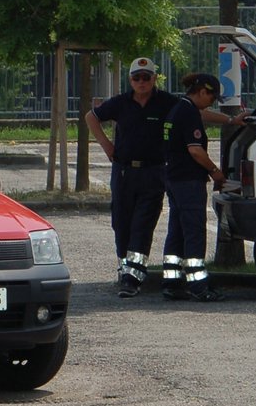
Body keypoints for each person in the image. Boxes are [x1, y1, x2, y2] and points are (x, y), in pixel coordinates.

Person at [86, 57, 240, 297]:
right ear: (131, 80)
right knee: (123, 222)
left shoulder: (169, 103)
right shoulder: (121, 103)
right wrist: (107, 145)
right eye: (137, 77)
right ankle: (133, 271)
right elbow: (91, 117)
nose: (141, 82)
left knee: (145, 223)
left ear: (154, 78)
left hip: (154, 171)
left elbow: (201, 115)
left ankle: (134, 278)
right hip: (126, 170)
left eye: (146, 77)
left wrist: (230, 120)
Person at [160, 72, 229, 302]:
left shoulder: (178, 108)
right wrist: (215, 171)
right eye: (212, 97)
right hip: (188, 181)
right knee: (194, 232)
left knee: (177, 231)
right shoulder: (188, 112)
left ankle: (171, 282)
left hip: (174, 178)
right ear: (202, 92)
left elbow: (204, 115)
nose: (212, 102)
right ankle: (198, 285)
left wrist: (231, 120)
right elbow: (195, 150)